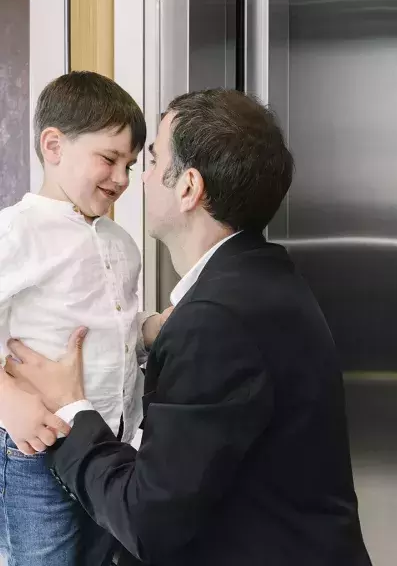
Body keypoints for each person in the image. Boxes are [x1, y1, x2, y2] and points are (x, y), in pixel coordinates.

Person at [5, 89, 372, 566]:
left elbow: (147, 521)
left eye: (149, 161)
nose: (133, 180)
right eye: (111, 159)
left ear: (188, 187)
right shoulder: (261, 281)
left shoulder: (216, 318)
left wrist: (74, 406)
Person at [0, 71, 170, 566]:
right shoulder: (17, 232)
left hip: (104, 439)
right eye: (109, 158)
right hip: (32, 447)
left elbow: (113, 329)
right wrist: (8, 400)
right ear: (53, 145)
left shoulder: (121, 244)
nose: (121, 178)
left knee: (101, 556)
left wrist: (151, 328)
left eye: (132, 165)